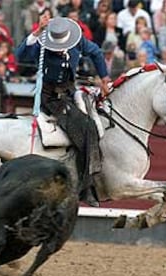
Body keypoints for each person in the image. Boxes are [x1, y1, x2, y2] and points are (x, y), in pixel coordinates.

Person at [16, 16, 111, 206]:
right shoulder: (41, 47)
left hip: (69, 93)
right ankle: (85, 186)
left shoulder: (77, 43)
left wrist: (104, 78)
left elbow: (96, 52)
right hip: (49, 98)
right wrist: (36, 32)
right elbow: (20, 56)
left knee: (98, 118)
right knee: (86, 128)